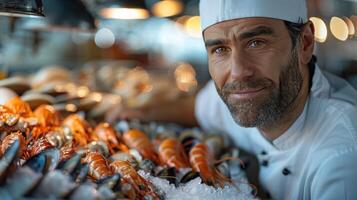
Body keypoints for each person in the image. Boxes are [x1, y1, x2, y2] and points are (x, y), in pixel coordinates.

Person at [107, 0, 357, 199]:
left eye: (257, 43)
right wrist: (140, 113)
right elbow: (195, 108)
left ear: (304, 43)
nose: (238, 72)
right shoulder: (244, 96)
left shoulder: (342, 159)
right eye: (220, 49)